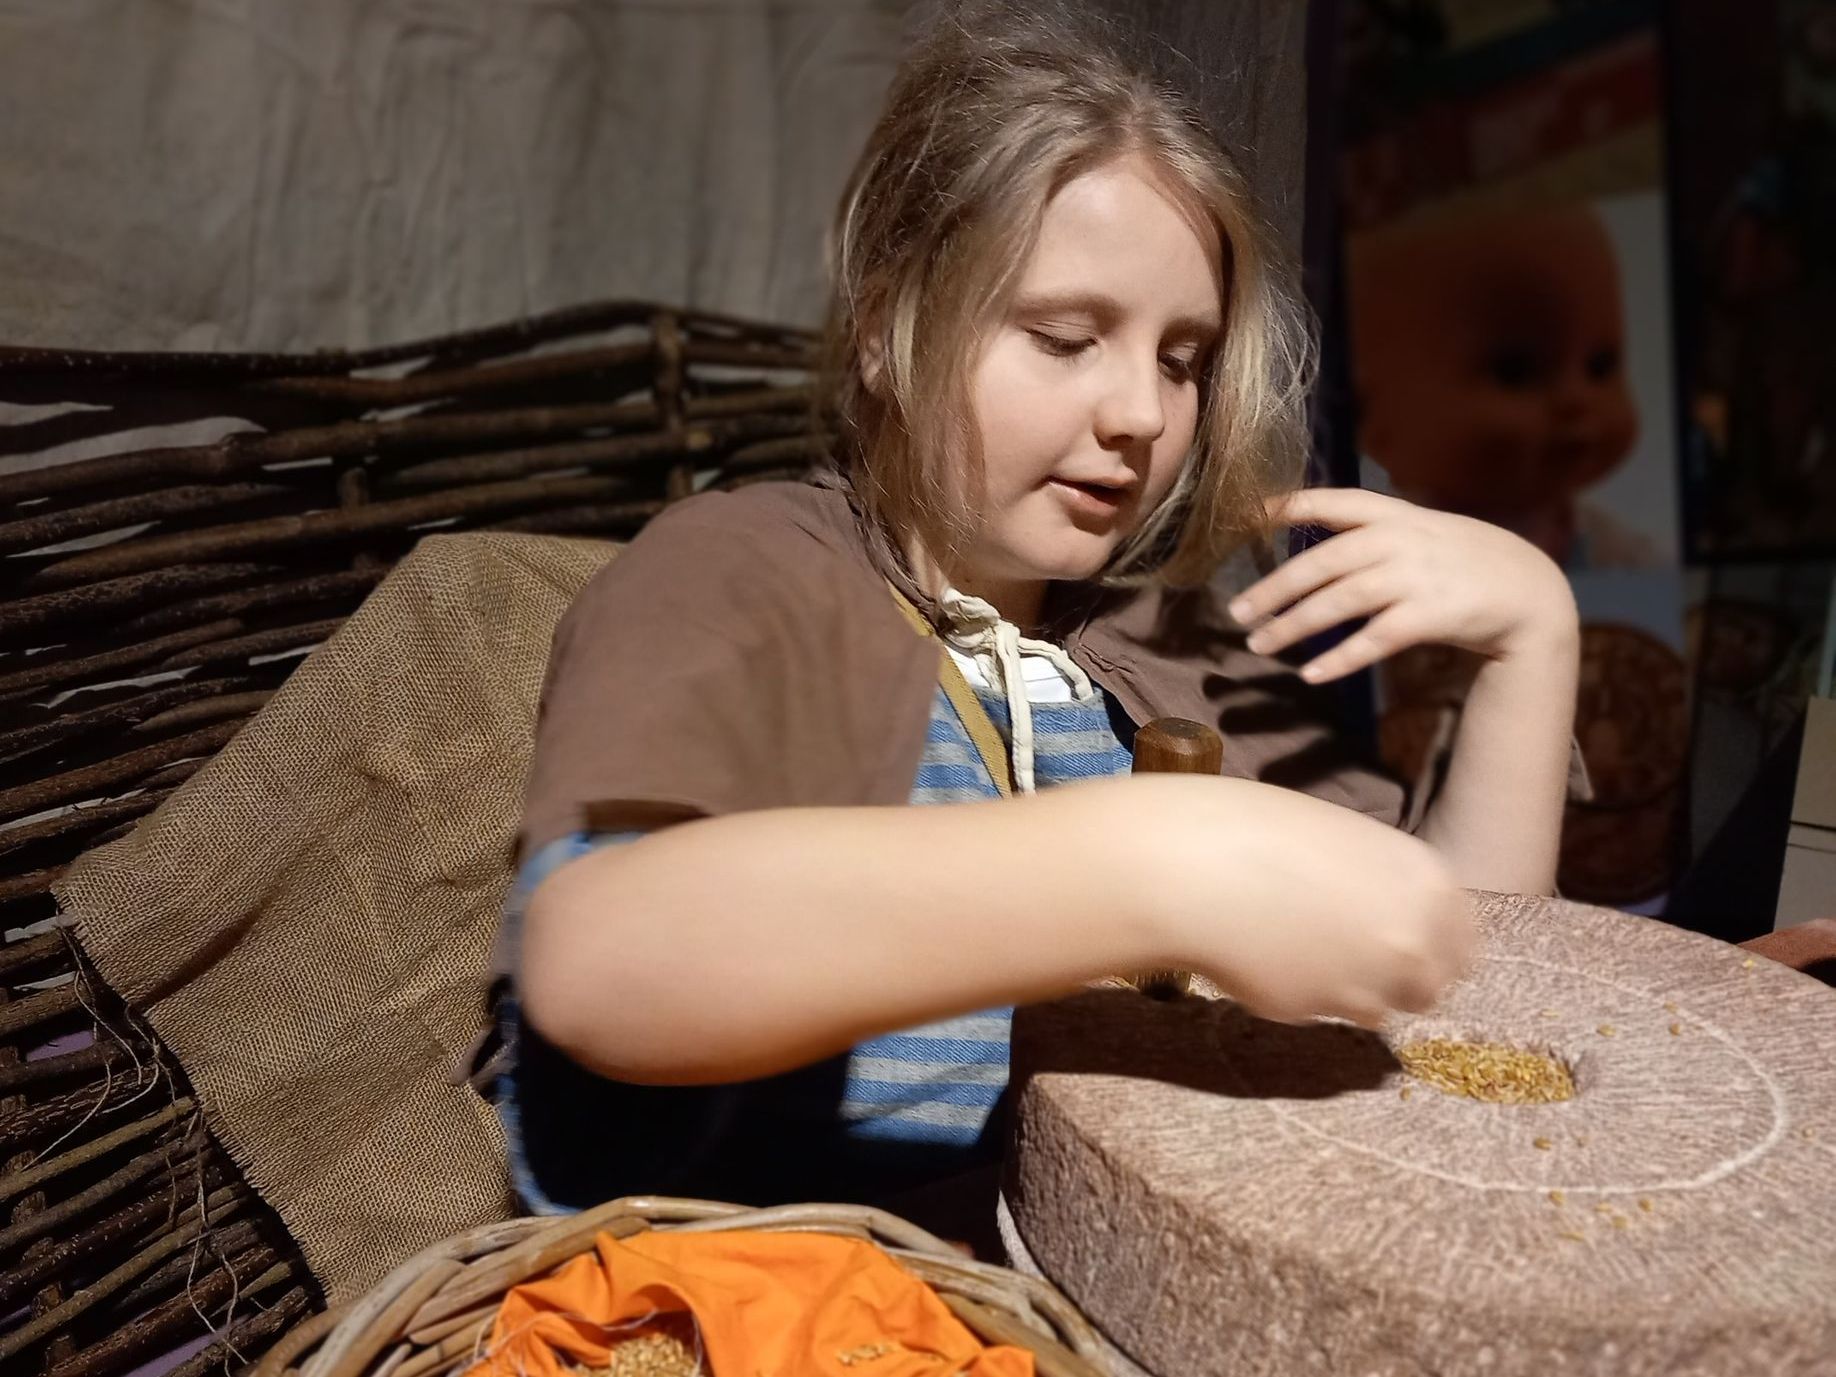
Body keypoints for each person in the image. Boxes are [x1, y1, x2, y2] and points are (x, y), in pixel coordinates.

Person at [494, 1, 1581, 1229]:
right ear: (885, 330)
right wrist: (1145, 868)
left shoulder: (1181, 654)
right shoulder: (743, 575)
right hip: (836, 1298)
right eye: (1066, 338)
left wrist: (1531, 643)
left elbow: (1451, 996)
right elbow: (600, 962)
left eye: (1182, 359)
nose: (1140, 414)